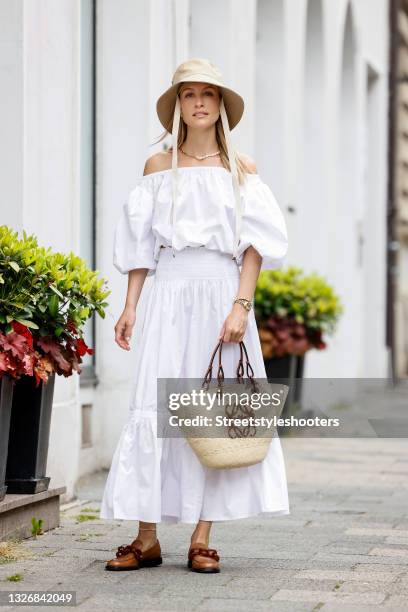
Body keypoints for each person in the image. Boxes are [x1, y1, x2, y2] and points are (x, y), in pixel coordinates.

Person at [101, 58, 290, 574]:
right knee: (155, 407)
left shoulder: (241, 170)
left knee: (213, 414)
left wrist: (241, 305)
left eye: (209, 93)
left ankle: (203, 537)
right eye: (189, 95)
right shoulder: (159, 168)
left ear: (221, 105)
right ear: (178, 106)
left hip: (221, 297)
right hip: (170, 294)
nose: (199, 102)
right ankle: (145, 538)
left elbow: (255, 246)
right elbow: (142, 247)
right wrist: (131, 305)